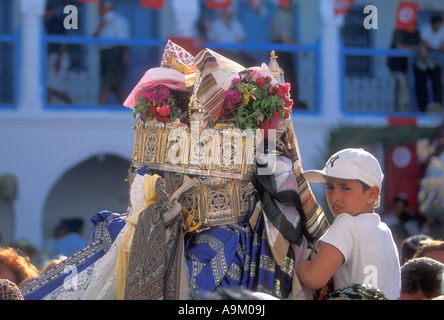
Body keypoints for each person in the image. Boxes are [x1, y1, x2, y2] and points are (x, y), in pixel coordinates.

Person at [297, 148, 401, 300]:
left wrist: (294, 260)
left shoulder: (347, 223)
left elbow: (313, 278)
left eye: (345, 188)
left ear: (372, 194)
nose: (335, 196)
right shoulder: (385, 231)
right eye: (330, 187)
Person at [94, 0, 130, 105]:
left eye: (101, 8)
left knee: (109, 82)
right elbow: (95, 36)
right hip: (105, 53)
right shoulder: (102, 22)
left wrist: (125, 56)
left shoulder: (118, 21)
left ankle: (101, 106)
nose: (99, 11)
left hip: (115, 54)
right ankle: (126, 108)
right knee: (116, 85)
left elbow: (124, 41)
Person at [269, 0, 299, 106]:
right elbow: (285, 40)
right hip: (281, 53)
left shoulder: (284, 16)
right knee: (284, 81)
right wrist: (300, 46)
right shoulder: (282, 17)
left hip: (283, 52)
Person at [44, 3, 73, 104]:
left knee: (56, 88)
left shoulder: (57, 23)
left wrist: (59, 60)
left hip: (58, 57)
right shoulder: (45, 23)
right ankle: (47, 109)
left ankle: (74, 107)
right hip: (52, 57)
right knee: (49, 86)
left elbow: (63, 42)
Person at [414, 14, 444, 112]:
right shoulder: (425, 29)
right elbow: (425, 44)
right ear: (432, 24)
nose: (438, 27)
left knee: (437, 86)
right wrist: (438, 49)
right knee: (421, 87)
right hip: (422, 63)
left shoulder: (442, 30)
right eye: (436, 25)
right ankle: (423, 110)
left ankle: (437, 109)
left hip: (435, 63)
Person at [387, 27, 421, 112]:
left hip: (406, 66)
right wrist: (415, 49)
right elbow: (399, 47)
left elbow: (421, 44)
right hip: (395, 65)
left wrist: (421, 48)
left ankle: (398, 110)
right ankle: (402, 110)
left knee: (400, 87)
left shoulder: (416, 32)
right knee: (402, 85)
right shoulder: (398, 31)